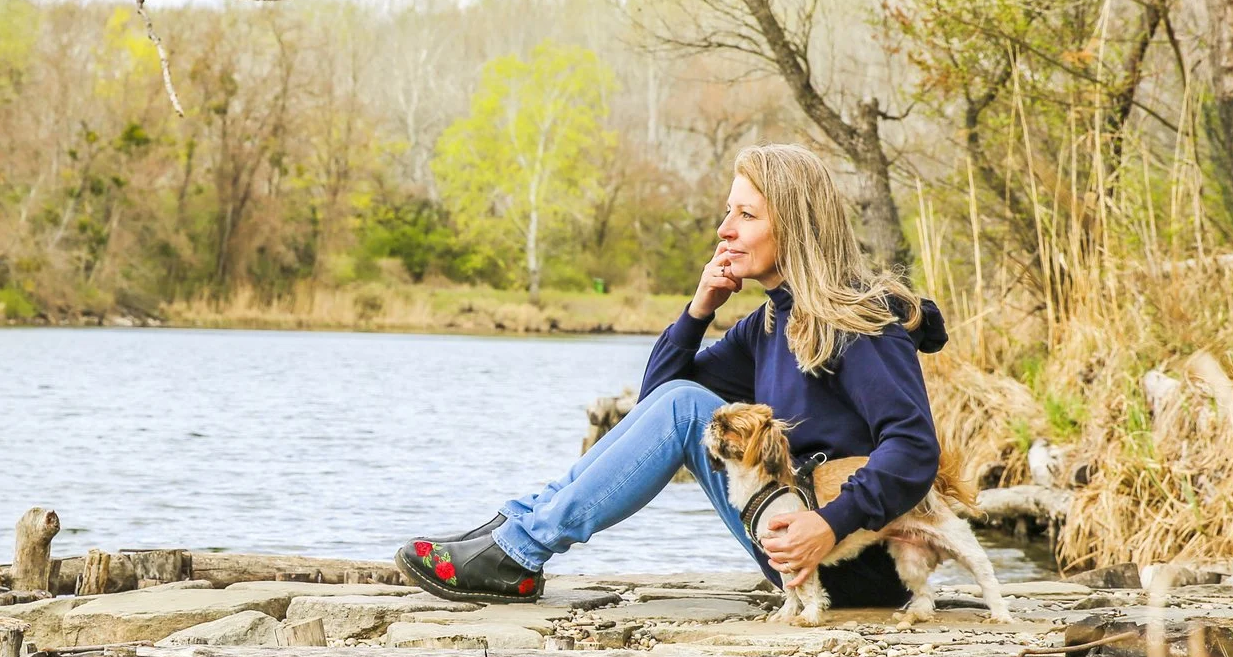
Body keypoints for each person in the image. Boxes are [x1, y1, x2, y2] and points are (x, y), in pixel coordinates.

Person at [396, 142, 948, 609]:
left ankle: (516, 551)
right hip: (793, 541)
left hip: (861, 565)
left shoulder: (860, 322)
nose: (723, 229)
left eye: (746, 216)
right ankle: (510, 536)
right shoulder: (769, 322)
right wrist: (699, 308)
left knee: (687, 407)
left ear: (797, 227)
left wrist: (829, 525)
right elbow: (654, 405)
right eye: (728, 212)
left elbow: (915, 447)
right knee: (679, 403)